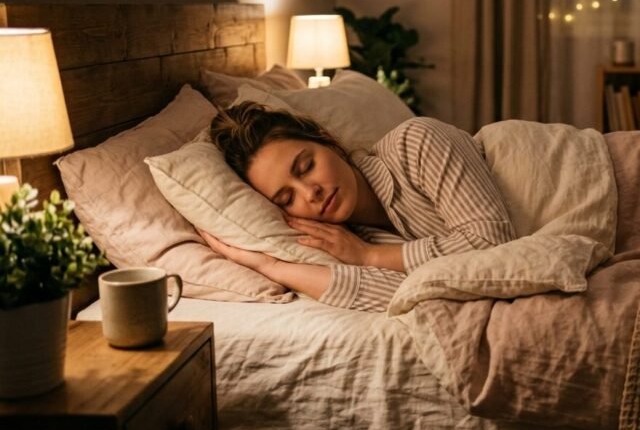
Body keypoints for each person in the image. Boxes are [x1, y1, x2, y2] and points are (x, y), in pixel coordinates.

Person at [202, 102, 517, 311]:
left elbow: (493, 244)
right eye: (287, 199)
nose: (310, 193)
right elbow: (410, 295)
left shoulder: (415, 142)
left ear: (326, 139)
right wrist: (270, 267)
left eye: (307, 166)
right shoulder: (348, 242)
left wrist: (370, 257)